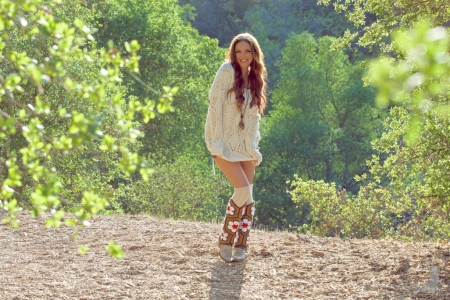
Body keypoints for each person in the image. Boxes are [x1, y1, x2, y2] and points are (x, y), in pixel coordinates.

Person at [204, 33, 267, 263]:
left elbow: (253, 120)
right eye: (238, 51)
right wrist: (216, 141)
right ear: (233, 52)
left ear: (254, 54)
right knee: (242, 191)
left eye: (248, 51)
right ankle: (226, 238)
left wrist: (253, 147)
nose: (243, 56)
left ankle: (241, 244)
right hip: (223, 144)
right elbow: (215, 108)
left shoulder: (254, 78)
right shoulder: (225, 71)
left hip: (245, 148)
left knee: (248, 197)